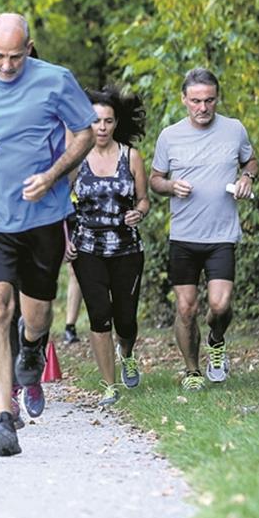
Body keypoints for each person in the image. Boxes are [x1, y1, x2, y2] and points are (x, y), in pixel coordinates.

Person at [0, 13, 95, 456]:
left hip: (42, 216)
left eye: (15, 56)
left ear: (29, 47)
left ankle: (32, 350)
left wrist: (52, 175)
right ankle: (2, 417)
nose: (7, 66)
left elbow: (84, 133)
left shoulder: (56, 80)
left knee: (37, 312)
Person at [150, 67, 257, 391]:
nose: (203, 108)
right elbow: (154, 180)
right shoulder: (169, 135)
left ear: (216, 98)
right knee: (186, 308)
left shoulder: (234, 129)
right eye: (196, 101)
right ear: (184, 99)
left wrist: (247, 178)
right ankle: (192, 371)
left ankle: (217, 338)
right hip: (183, 237)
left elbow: (251, 162)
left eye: (209, 100)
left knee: (220, 306)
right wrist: (170, 186)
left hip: (221, 235)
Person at [69, 85, 149, 405]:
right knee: (99, 316)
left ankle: (126, 352)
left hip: (127, 248)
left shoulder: (131, 157)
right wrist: (65, 240)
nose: (101, 128)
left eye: (108, 121)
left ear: (116, 123)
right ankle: (109, 384)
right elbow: (60, 204)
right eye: (95, 121)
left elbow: (144, 200)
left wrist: (138, 212)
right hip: (87, 247)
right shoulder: (75, 159)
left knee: (125, 320)